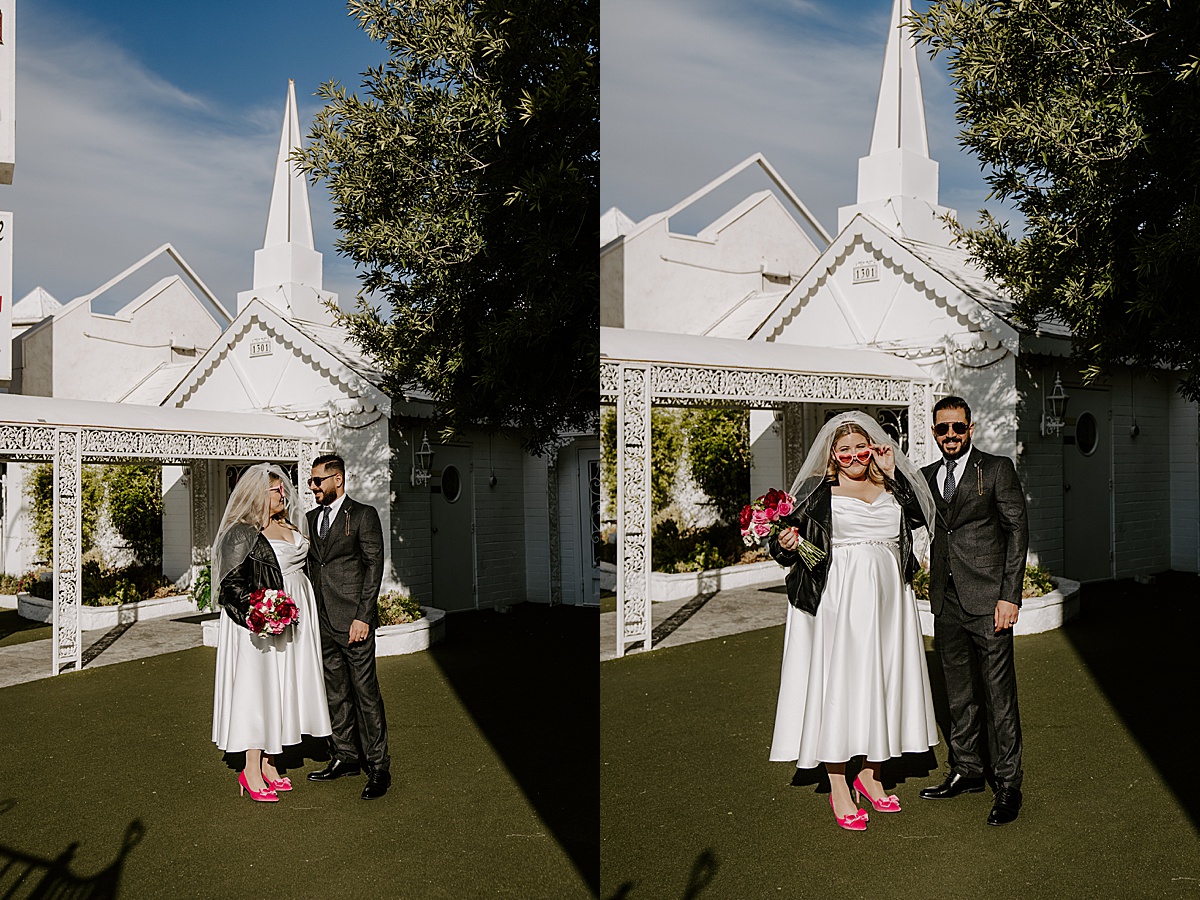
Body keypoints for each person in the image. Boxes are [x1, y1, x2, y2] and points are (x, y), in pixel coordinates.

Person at [770, 411, 938, 831]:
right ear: (832, 455)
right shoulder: (817, 492)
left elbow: (922, 516)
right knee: (840, 683)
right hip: (839, 600)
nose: (852, 455)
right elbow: (786, 542)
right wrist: (788, 543)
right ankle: (839, 784)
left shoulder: (889, 485)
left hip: (890, 600)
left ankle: (871, 774)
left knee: (884, 679)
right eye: (842, 450)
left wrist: (891, 470)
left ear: (873, 447)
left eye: (859, 447)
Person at [918, 396, 1029, 826]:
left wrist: (1010, 596)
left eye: (957, 428)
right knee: (959, 694)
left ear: (971, 428)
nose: (950, 436)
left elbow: (1017, 530)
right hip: (946, 602)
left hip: (989, 603)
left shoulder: (997, 469)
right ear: (933, 431)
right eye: (943, 429)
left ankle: (1008, 784)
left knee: (999, 698)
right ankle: (966, 770)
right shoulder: (927, 477)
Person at [211, 463, 332, 803]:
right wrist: (258, 613)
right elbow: (231, 584)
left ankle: (270, 762)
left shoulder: (290, 524)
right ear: (257, 495)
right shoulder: (241, 532)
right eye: (277, 490)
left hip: (296, 613)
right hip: (259, 622)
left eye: (283, 489)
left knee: (281, 685)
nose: (284, 494)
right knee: (257, 688)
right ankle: (249, 770)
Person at [304, 454, 391, 800]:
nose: (312, 487)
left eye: (317, 481)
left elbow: (373, 567)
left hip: (353, 621)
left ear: (337, 480)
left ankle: (378, 766)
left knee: (365, 694)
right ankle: (345, 756)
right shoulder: (310, 519)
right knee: (335, 692)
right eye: (311, 482)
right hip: (322, 621)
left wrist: (363, 616)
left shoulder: (364, 516)